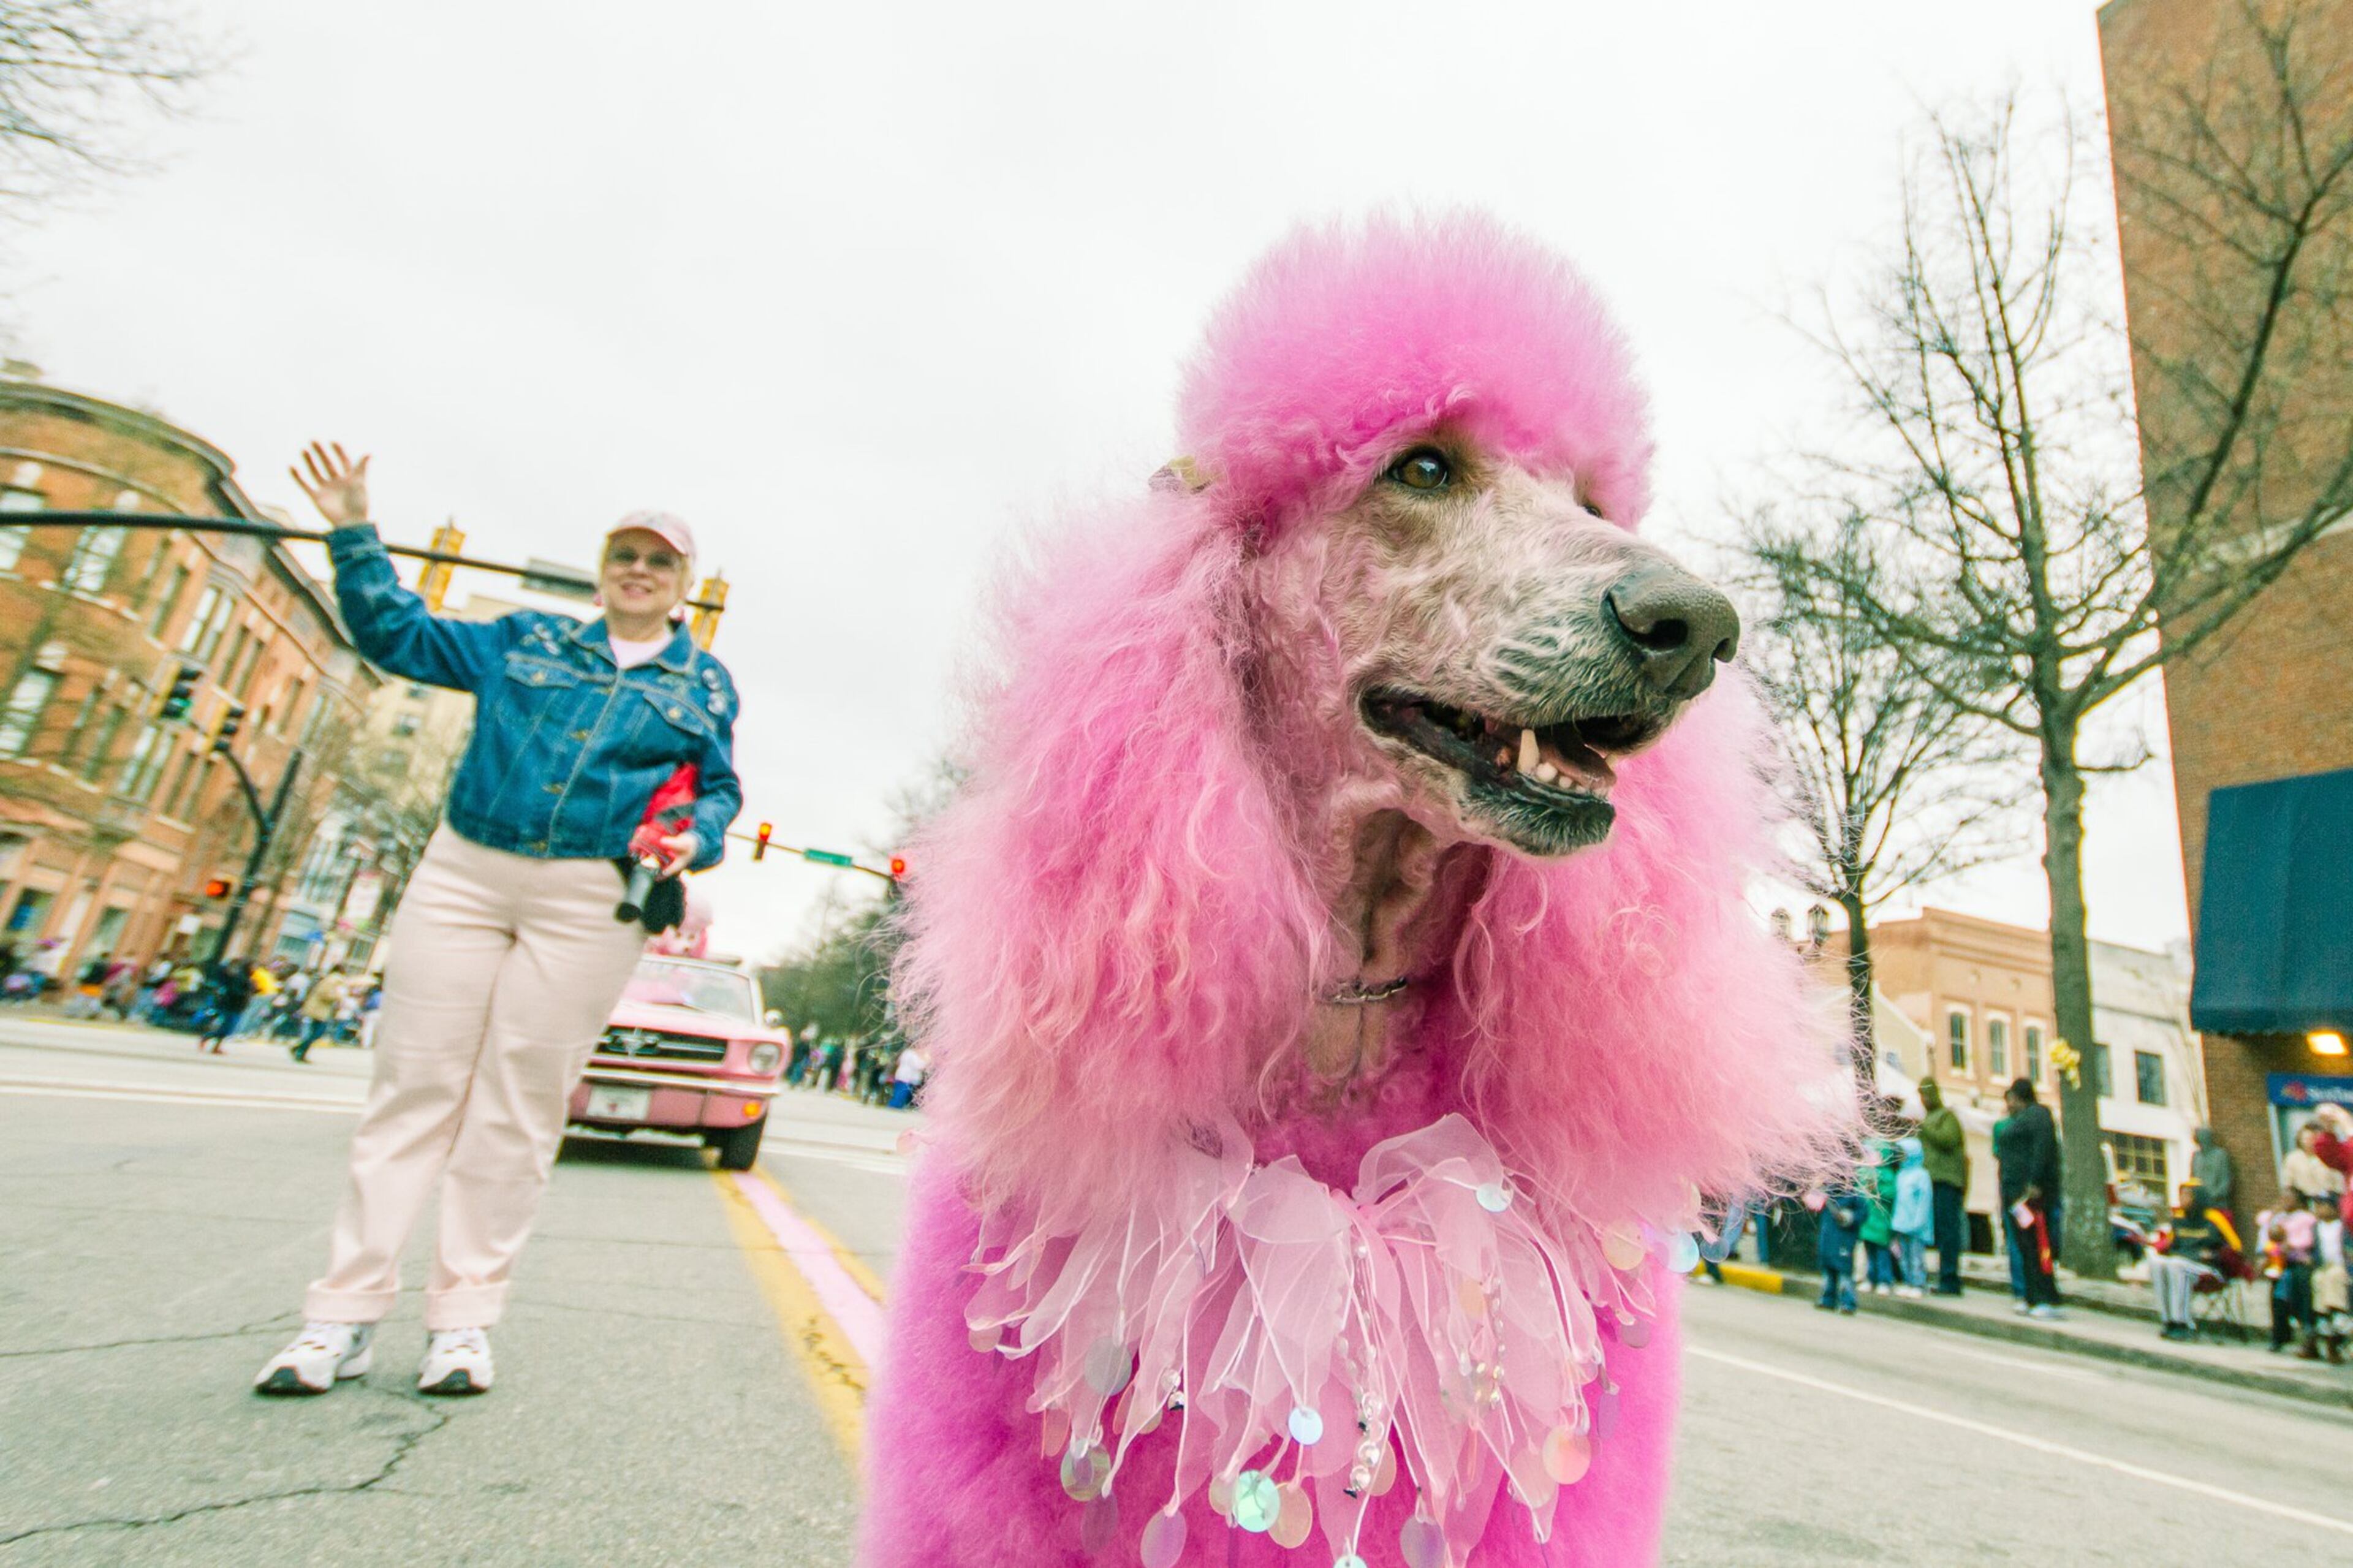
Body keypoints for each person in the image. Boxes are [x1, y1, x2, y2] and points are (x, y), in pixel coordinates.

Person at [252, 442, 741, 1399]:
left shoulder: (705, 685)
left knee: (516, 1108)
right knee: (413, 1088)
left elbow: (719, 790)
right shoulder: (524, 638)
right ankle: (338, 1318)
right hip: (464, 873)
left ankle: (463, 1323)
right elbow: (393, 633)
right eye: (624, 554)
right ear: (604, 570)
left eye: (658, 560)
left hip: (590, 899)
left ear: (682, 584)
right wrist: (353, 525)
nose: (637, 570)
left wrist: (694, 835)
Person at [1993, 1075, 2064, 1320]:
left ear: (2019, 1097)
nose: (2008, 1106)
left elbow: (2041, 1150)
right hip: (2017, 1194)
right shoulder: (2027, 1119)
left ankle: (2041, 1297)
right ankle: (2032, 1296)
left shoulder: (2039, 1117)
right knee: (2026, 1245)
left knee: (2035, 1244)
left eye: (2011, 1100)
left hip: (2029, 1195)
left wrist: (2034, 1182)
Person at [2148, 1181, 2239, 1341]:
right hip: (2182, 1262)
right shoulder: (2179, 1219)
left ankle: (2183, 1323)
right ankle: (2168, 1320)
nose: (2182, 1199)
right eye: (2181, 1194)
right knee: (2158, 1264)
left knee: (2177, 1266)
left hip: (2209, 1268)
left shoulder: (2215, 1218)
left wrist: (2213, 1254)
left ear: (2198, 1197)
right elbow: (2169, 1245)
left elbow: (2236, 1247)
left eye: (2187, 1195)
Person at [1917, 1080, 1969, 1294]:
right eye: (1922, 1095)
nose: (1924, 1100)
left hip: (1947, 1182)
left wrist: (1924, 1128)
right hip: (1931, 1182)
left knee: (1949, 1232)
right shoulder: (1929, 1119)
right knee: (1939, 1231)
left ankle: (1950, 1278)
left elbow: (1948, 1140)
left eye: (1927, 1095)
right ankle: (1943, 1276)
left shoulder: (1947, 1117)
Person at [2257, 1189, 2320, 1357]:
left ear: (2298, 1201)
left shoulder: (2306, 1218)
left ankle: (2308, 1330)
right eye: (2282, 1197)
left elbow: (2307, 1241)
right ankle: (2280, 1335)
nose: (2284, 1201)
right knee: (2277, 1292)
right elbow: (2268, 1238)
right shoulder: (2279, 1218)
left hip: (2300, 1261)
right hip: (2281, 1263)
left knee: (2301, 1284)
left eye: (2288, 1198)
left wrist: (2290, 1245)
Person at [1890, 1136, 1932, 1298]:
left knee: (1916, 1257)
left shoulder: (1922, 1175)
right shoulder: (1901, 1174)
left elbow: (1924, 1201)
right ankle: (1908, 1282)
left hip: (1915, 1226)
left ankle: (1919, 1284)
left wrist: (1919, 1222)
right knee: (1903, 1256)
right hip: (1900, 1223)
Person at [1814, 1189, 1867, 1314]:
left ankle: (1847, 1302)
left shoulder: (1854, 1193)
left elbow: (1863, 1213)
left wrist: (1850, 1217)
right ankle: (1828, 1299)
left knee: (1844, 1272)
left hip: (1844, 1238)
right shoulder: (1827, 1191)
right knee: (1828, 1270)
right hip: (1829, 1237)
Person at [1858, 1140, 1898, 1297]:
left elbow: (1890, 1194)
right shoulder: (1864, 1172)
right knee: (1869, 1252)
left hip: (1881, 1221)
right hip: (1868, 1222)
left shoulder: (1887, 1175)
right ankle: (1870, 1278)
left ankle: (1885, 1280)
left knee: (1882, 1252)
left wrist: (1877, 1189)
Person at [292, 969, 347, 1062]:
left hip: (320, 1010)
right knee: (318, 1033)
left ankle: (300, 1049)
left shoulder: (331, 981)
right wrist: (338, 997)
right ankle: (300, 1050)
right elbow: (325, 995)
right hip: (318, 1010)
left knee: (315, 1033)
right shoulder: (332, 981)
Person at [2189, 1126, 2235, 1218]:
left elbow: (2226, 1182)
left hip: (2218, 1207)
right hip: (2199, 1208)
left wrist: (2212, 1196)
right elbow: (2192, 1180)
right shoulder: (2196, 1157)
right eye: (2199, 1140)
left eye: (2203, 1139)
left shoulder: (2221, 1155)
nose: (2201, 1143)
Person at [889, 1043, 930, 1110]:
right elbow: (918, 1066)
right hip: (907, 1078)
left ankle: (894, 1109)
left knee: (899, 1094)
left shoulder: (907, 1052)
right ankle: (893, 1109)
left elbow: (898, 1062)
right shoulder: (913, 1055)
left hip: (901, 1076)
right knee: (901, 1095)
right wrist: (926, 1061)